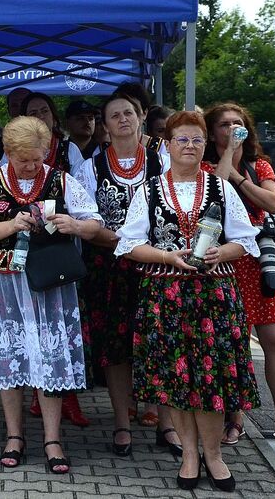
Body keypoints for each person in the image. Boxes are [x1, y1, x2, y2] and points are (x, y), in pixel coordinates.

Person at [115, 110, 261, 491]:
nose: (190, 146)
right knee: (176, 379)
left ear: (205, 145)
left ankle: (214, 455)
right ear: (167, 145)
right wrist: (167, 256)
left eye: (197, 140)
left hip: (213, 297)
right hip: (165, 297)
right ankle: (189, 455)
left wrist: (220, 252)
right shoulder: (149, 190)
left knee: (210, 381)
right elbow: (130, 245)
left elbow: (245, 240)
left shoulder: (221, 188)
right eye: (182, 139)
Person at [0, 116, 102, 473]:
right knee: (9, 355)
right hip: (3, 282)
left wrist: (76, 225)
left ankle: (53, 439)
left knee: (50, 356)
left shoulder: (60, 179)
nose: (32, 166)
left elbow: (94, 222)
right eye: (24, 160)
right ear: (8, 153)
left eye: (38, 158)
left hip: (49, 281)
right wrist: (10, 224)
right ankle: (14, 435)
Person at [204, 103, 275, 456]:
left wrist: (241, 176)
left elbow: (273, 203)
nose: (232, 129)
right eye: (224, 124)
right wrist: (229, 156)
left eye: (238, 123)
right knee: (234, 343)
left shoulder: (260, 165)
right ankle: (235, 417)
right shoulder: (205, 167)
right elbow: (218, 187)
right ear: (211, 132)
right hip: (228, 260)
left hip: (261, 262)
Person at [75, 94, 177, 457]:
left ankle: (166, 423)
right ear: (104, 124)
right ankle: (121, 422)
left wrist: (147, 249)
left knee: (160, 343)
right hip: (110, 268)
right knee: (116, 348)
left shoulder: (163, 160)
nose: (123, 119)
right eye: (114, 115)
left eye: (129, 113)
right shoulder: (90, 168)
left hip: (158, 266)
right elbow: (86, 222)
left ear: (141, 117)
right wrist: (127, 243)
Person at [16, 92, 89, 425]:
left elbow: (86, 209)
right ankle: (36, 395)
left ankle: (66, 398)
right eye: (32, 112)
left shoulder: (67, 151)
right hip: (20, 260)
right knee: (28, 335)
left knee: (58, 335)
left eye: (44, 110)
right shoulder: (3, 166)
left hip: (57, 254)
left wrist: (73, 223)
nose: (39, 116)